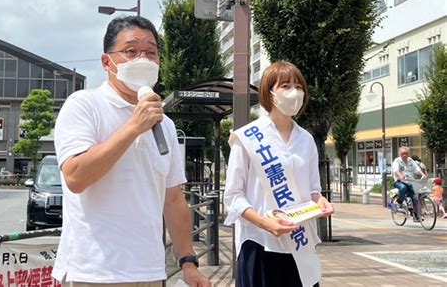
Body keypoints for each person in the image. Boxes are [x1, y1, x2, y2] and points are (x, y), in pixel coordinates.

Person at [52, 16, 211, 287]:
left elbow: (173, 199)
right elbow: (76, 177)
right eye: (131, 51)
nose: (143, 60)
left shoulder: (166, 125)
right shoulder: (84, 105)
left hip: (150, 271)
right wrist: (134, 127)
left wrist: (188, 261)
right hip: (93, 272)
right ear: (107, 62)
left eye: (151, 52)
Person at [223, 61, 334, 287]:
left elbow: (314, 189)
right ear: (270, 93)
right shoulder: (247, 138)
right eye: (285, 86)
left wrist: (321, 200)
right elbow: (233, 197)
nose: (295, 92)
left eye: (299, 86)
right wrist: (265, 223)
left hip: (299, 244)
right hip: (259, 243)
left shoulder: (306, 140)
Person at [391, 146, 427, 222]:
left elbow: (417, 169)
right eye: (403, 153)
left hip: (410, 181)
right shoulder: (397, 161)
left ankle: (416, 215)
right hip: (399, 181)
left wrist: (422, 174)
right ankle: (399, 202)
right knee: (403, 188)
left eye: (406, 153)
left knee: (415, 198)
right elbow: (396, 170)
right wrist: (400, 175)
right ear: (400, 154)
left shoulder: (410, 160)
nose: (405, 155)